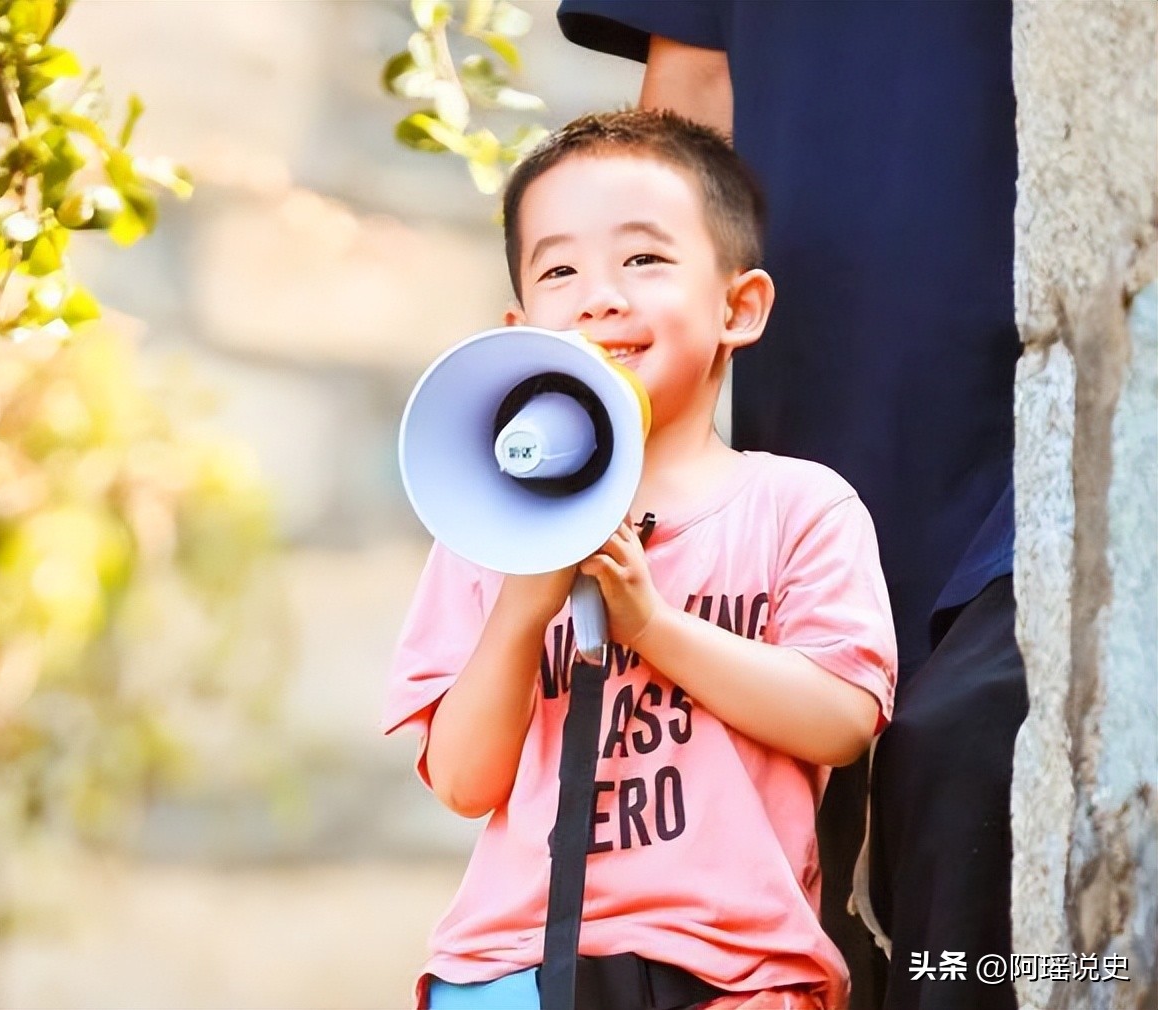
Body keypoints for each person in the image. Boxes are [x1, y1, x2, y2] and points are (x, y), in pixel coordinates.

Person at [555, 4, 1030, 1010]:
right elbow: (687, 114)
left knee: (970, 752)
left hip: (1057, 404)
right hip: (820, 415)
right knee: (825, 879)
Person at [382, 109, 898, 1010]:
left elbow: (842, 721)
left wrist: (651, 625)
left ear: (738, 307)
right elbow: (464, 781)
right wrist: (524, 605)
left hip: (733, 976)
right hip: (508, 973)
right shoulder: (485, 531)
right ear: (520, 325)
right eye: (560, 270)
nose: (599, 297)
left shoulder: (798, 506)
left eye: (644, 259)